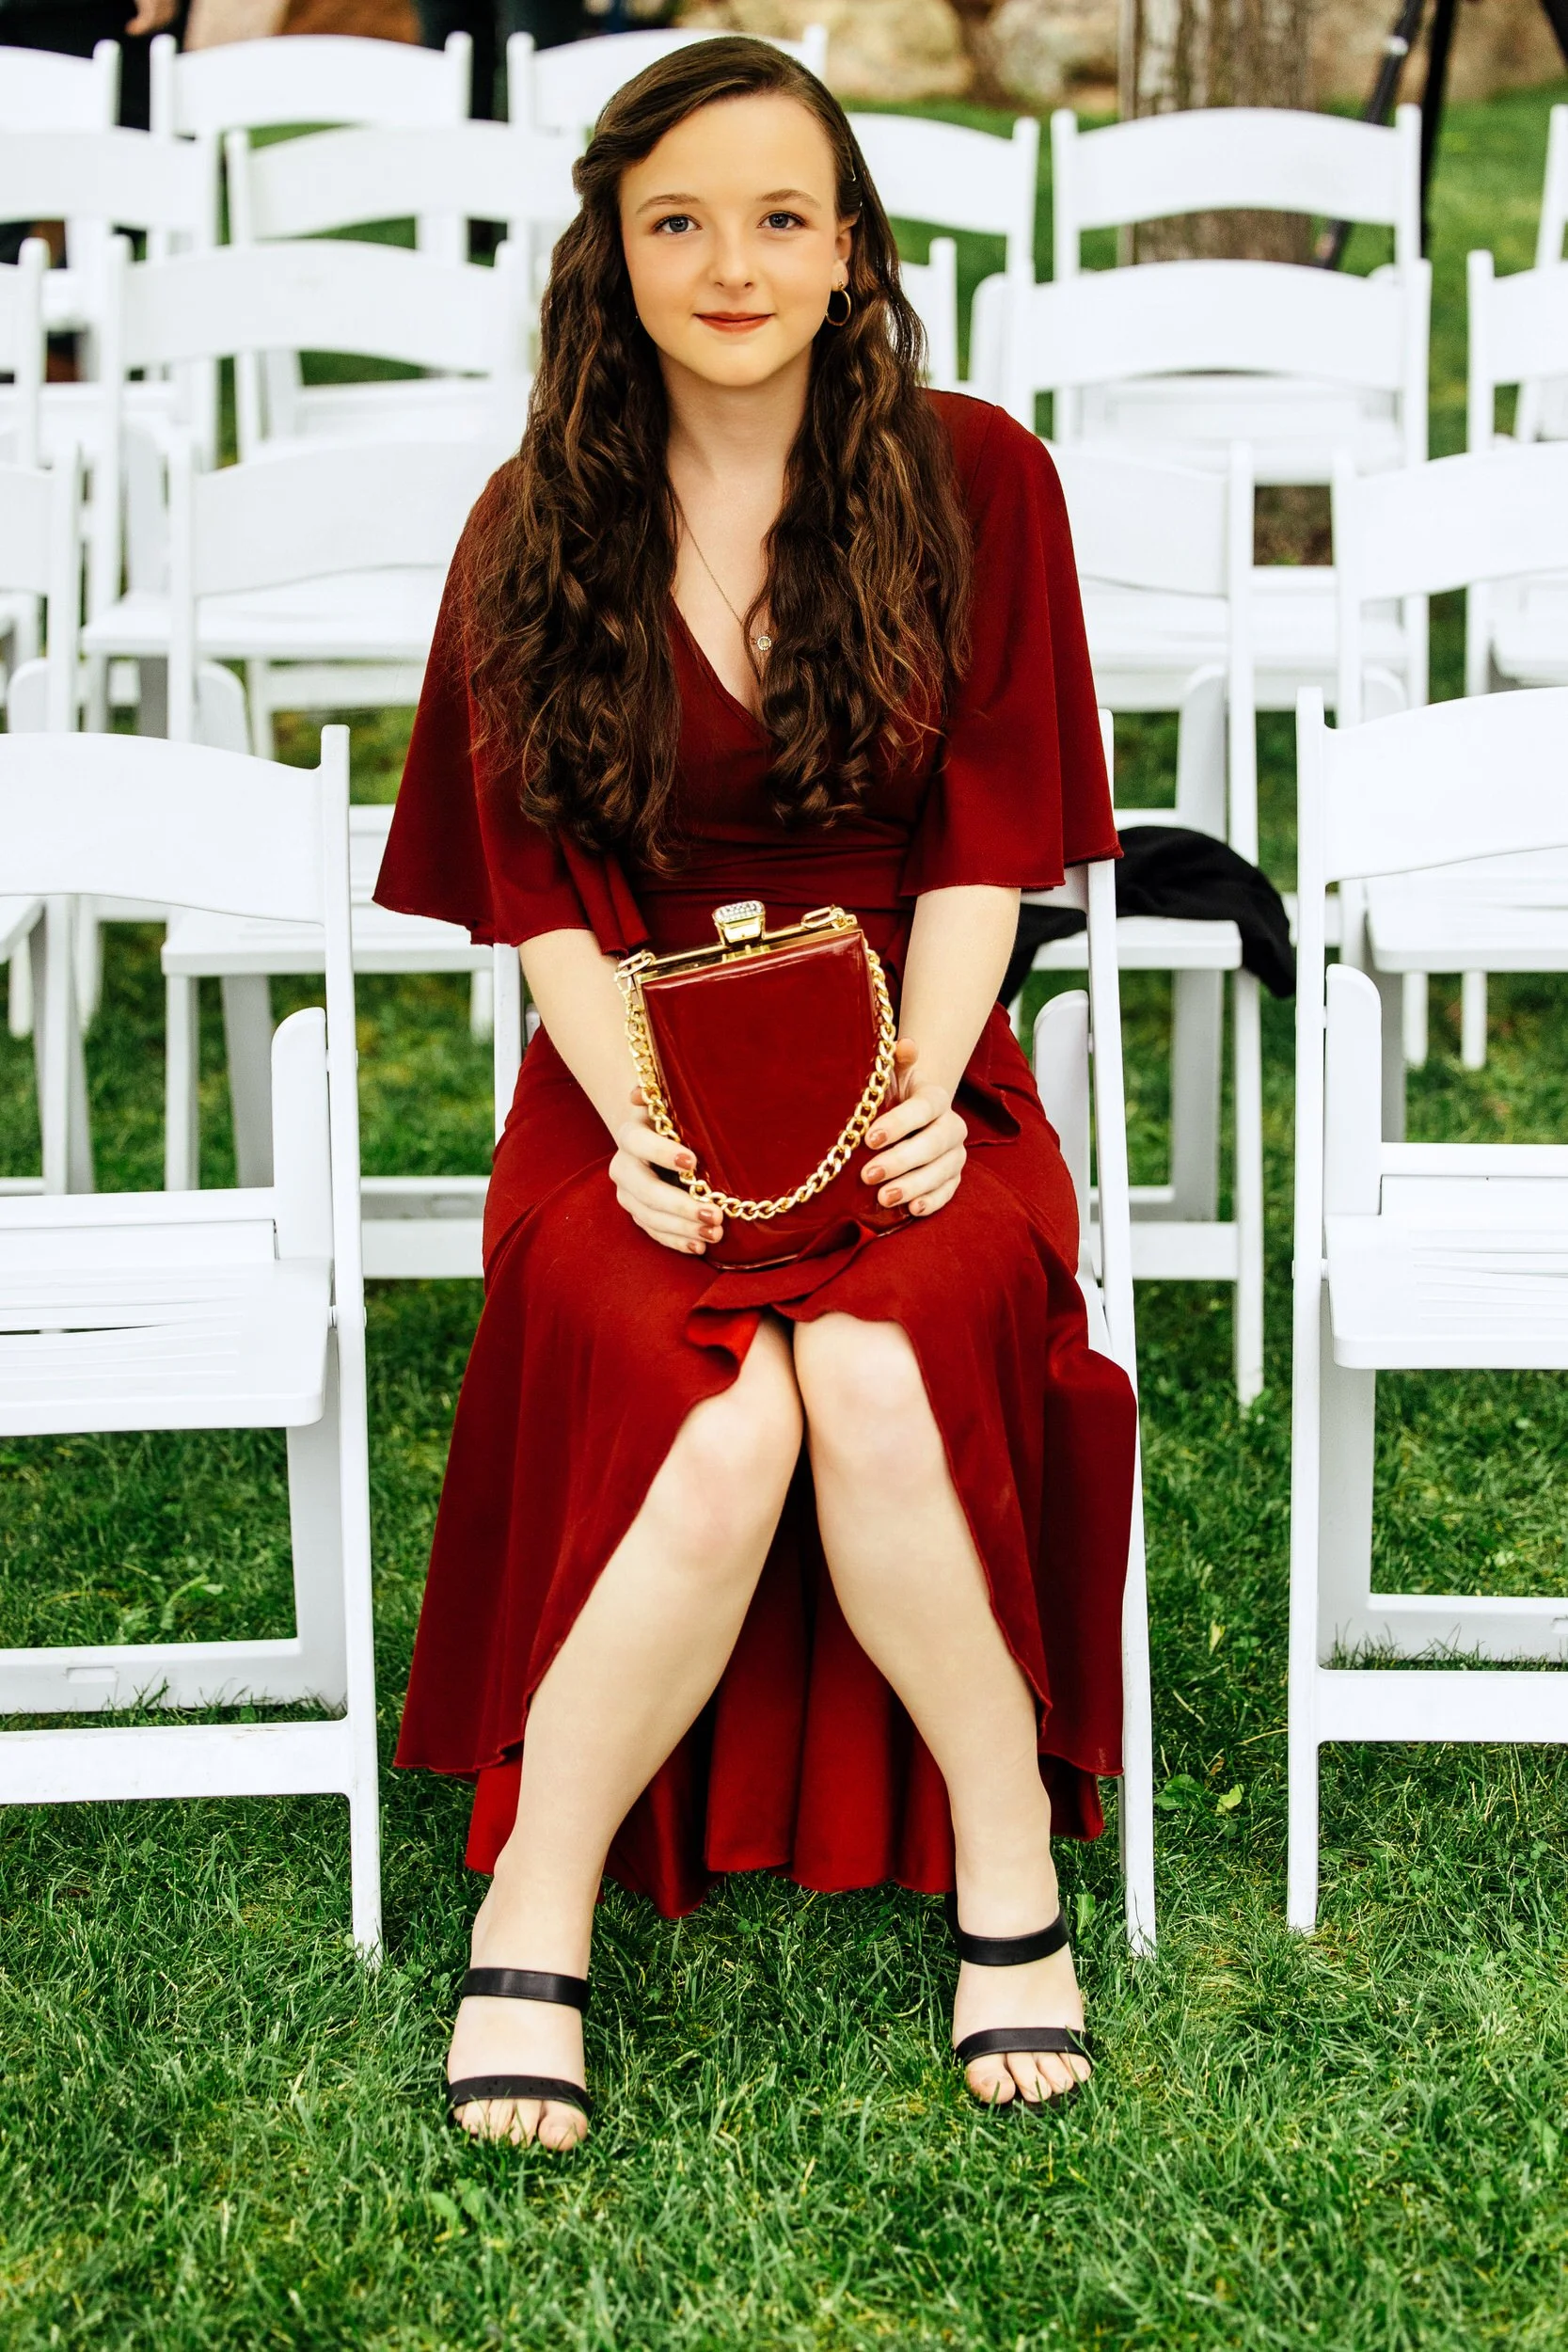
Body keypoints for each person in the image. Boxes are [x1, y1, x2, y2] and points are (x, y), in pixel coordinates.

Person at [374, 34, 1138, 2153]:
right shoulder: (533, 519)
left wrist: (912, 1084)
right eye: (676, 221)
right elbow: (538, 898)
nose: (729, 263)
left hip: (912, 1041)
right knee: (724, 1413)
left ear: (849, 250)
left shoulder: (982, 476)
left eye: (777, 218)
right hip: (621, 1058)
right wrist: (640, 1119)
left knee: (876, 1372)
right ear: (609, 257)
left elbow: (987, 845)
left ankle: (1009, 1857)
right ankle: (536, 1906)